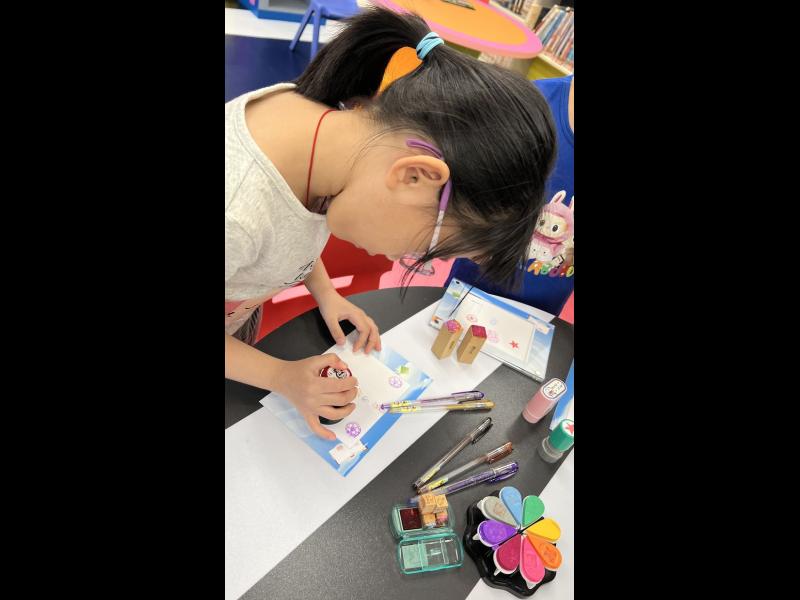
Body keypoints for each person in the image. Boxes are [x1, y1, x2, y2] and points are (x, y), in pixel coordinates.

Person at [225, 8, 556, 439]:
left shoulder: (331, 139)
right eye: (421, 251)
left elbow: (291, 223)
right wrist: (281, 376)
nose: (398, 257)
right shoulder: (236, 210)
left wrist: (326, 294)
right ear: (415, 175)